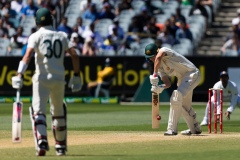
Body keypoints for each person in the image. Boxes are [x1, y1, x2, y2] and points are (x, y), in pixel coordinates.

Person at [11, 8, 82, 156]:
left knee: (38, 112)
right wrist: (76, 75)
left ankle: (42, 140)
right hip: (58, 79)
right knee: (58, 112)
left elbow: (28, 56)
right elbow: (74, 55)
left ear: (37, 21)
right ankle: (60, 147)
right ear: (51, 20)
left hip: (41, 79)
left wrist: (19, 74)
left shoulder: (35, 36)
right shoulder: (62, 35)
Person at [145, 43, 202, 136]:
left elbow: (159, 57)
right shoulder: (159, 68)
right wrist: (160, 87)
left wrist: (154, 74)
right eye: (149, 58)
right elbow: (168, 83)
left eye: (152, 56)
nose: (151, 59)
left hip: (192, 74)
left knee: (176, 97)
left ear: (157, 52)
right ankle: (195, 128)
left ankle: (172, 129)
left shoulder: (164, 50)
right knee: (183, 105)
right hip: (182, 79)